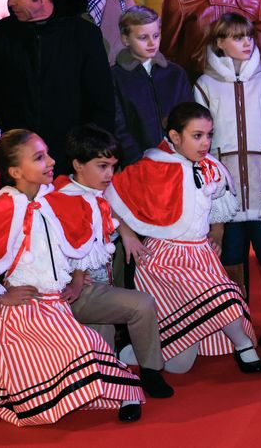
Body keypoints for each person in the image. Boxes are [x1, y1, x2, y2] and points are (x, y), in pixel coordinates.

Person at [0, 129, 146, 425]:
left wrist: (76, 277)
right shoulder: (3, 209)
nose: (51, 161)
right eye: (39, 158)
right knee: (76, 356)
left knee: (34, 390)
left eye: (47, 153)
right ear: (15, 171)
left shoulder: (53, 203)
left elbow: (80, 240)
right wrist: (2, 294)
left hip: (55, 307)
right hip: (24, 312)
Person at [106, 103, 261, 375]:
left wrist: (217, 232)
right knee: (186, 355)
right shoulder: (151, 166)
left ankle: (242, 346)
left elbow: (219, 203)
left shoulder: (210, 167)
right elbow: (111, 198)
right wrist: (128, 235)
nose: (205, 143)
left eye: (209, 135)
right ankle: (135, 352)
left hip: (201, 256)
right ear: (175, 137)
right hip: (163, 260)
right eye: (197, 136)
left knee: (216, 305)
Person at [53, 124, 174, 399]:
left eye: (113, 166)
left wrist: (126, 233)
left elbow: (108, 213)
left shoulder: (89, 191)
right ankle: (151, 372)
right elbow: (71, 248)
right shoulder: (65, 199)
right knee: (142, 304)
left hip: (97, 288)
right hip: (79, 292)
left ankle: (115, 377)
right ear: (78, 164)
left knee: (105, 366)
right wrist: (77, 278)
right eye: (102, 166)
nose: (110, 174)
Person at [194, 13, 261, 344]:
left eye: (248, 36)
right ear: (220, 42)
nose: (246, 42)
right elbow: (200, 140)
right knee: (232, 251)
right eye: (237, 37)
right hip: (226, 189)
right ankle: (239, 320)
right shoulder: (204, 86)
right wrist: (208, 187)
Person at [0, 0, 116, 174]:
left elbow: (101, 101)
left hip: (71, 160)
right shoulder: (2, 34)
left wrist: (92, 155)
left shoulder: (83, 34)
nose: (10, 2)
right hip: (18, 162)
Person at [111, 5, 192, 166]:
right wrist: (136, 159)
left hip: (179, 160)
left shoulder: (176, 74)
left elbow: (189, 118)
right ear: (125, 39)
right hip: (137, 163)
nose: (151, 43)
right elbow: (118, 126)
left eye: (156, 35)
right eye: (143, 37)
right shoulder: (115, 77)